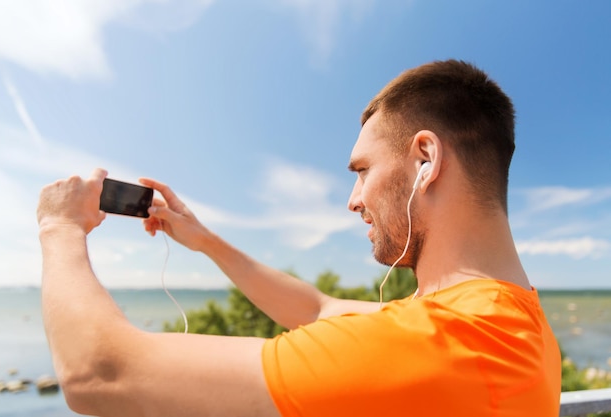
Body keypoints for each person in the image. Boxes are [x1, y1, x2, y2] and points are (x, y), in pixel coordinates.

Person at [37, 59, 561, 417]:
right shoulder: (509, 321)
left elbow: (98, 373)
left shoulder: (449, 343)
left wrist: (58, 226)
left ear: (425, 160)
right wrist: (204, 240)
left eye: (362, 170)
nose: (353, 200)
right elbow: (316, 307)